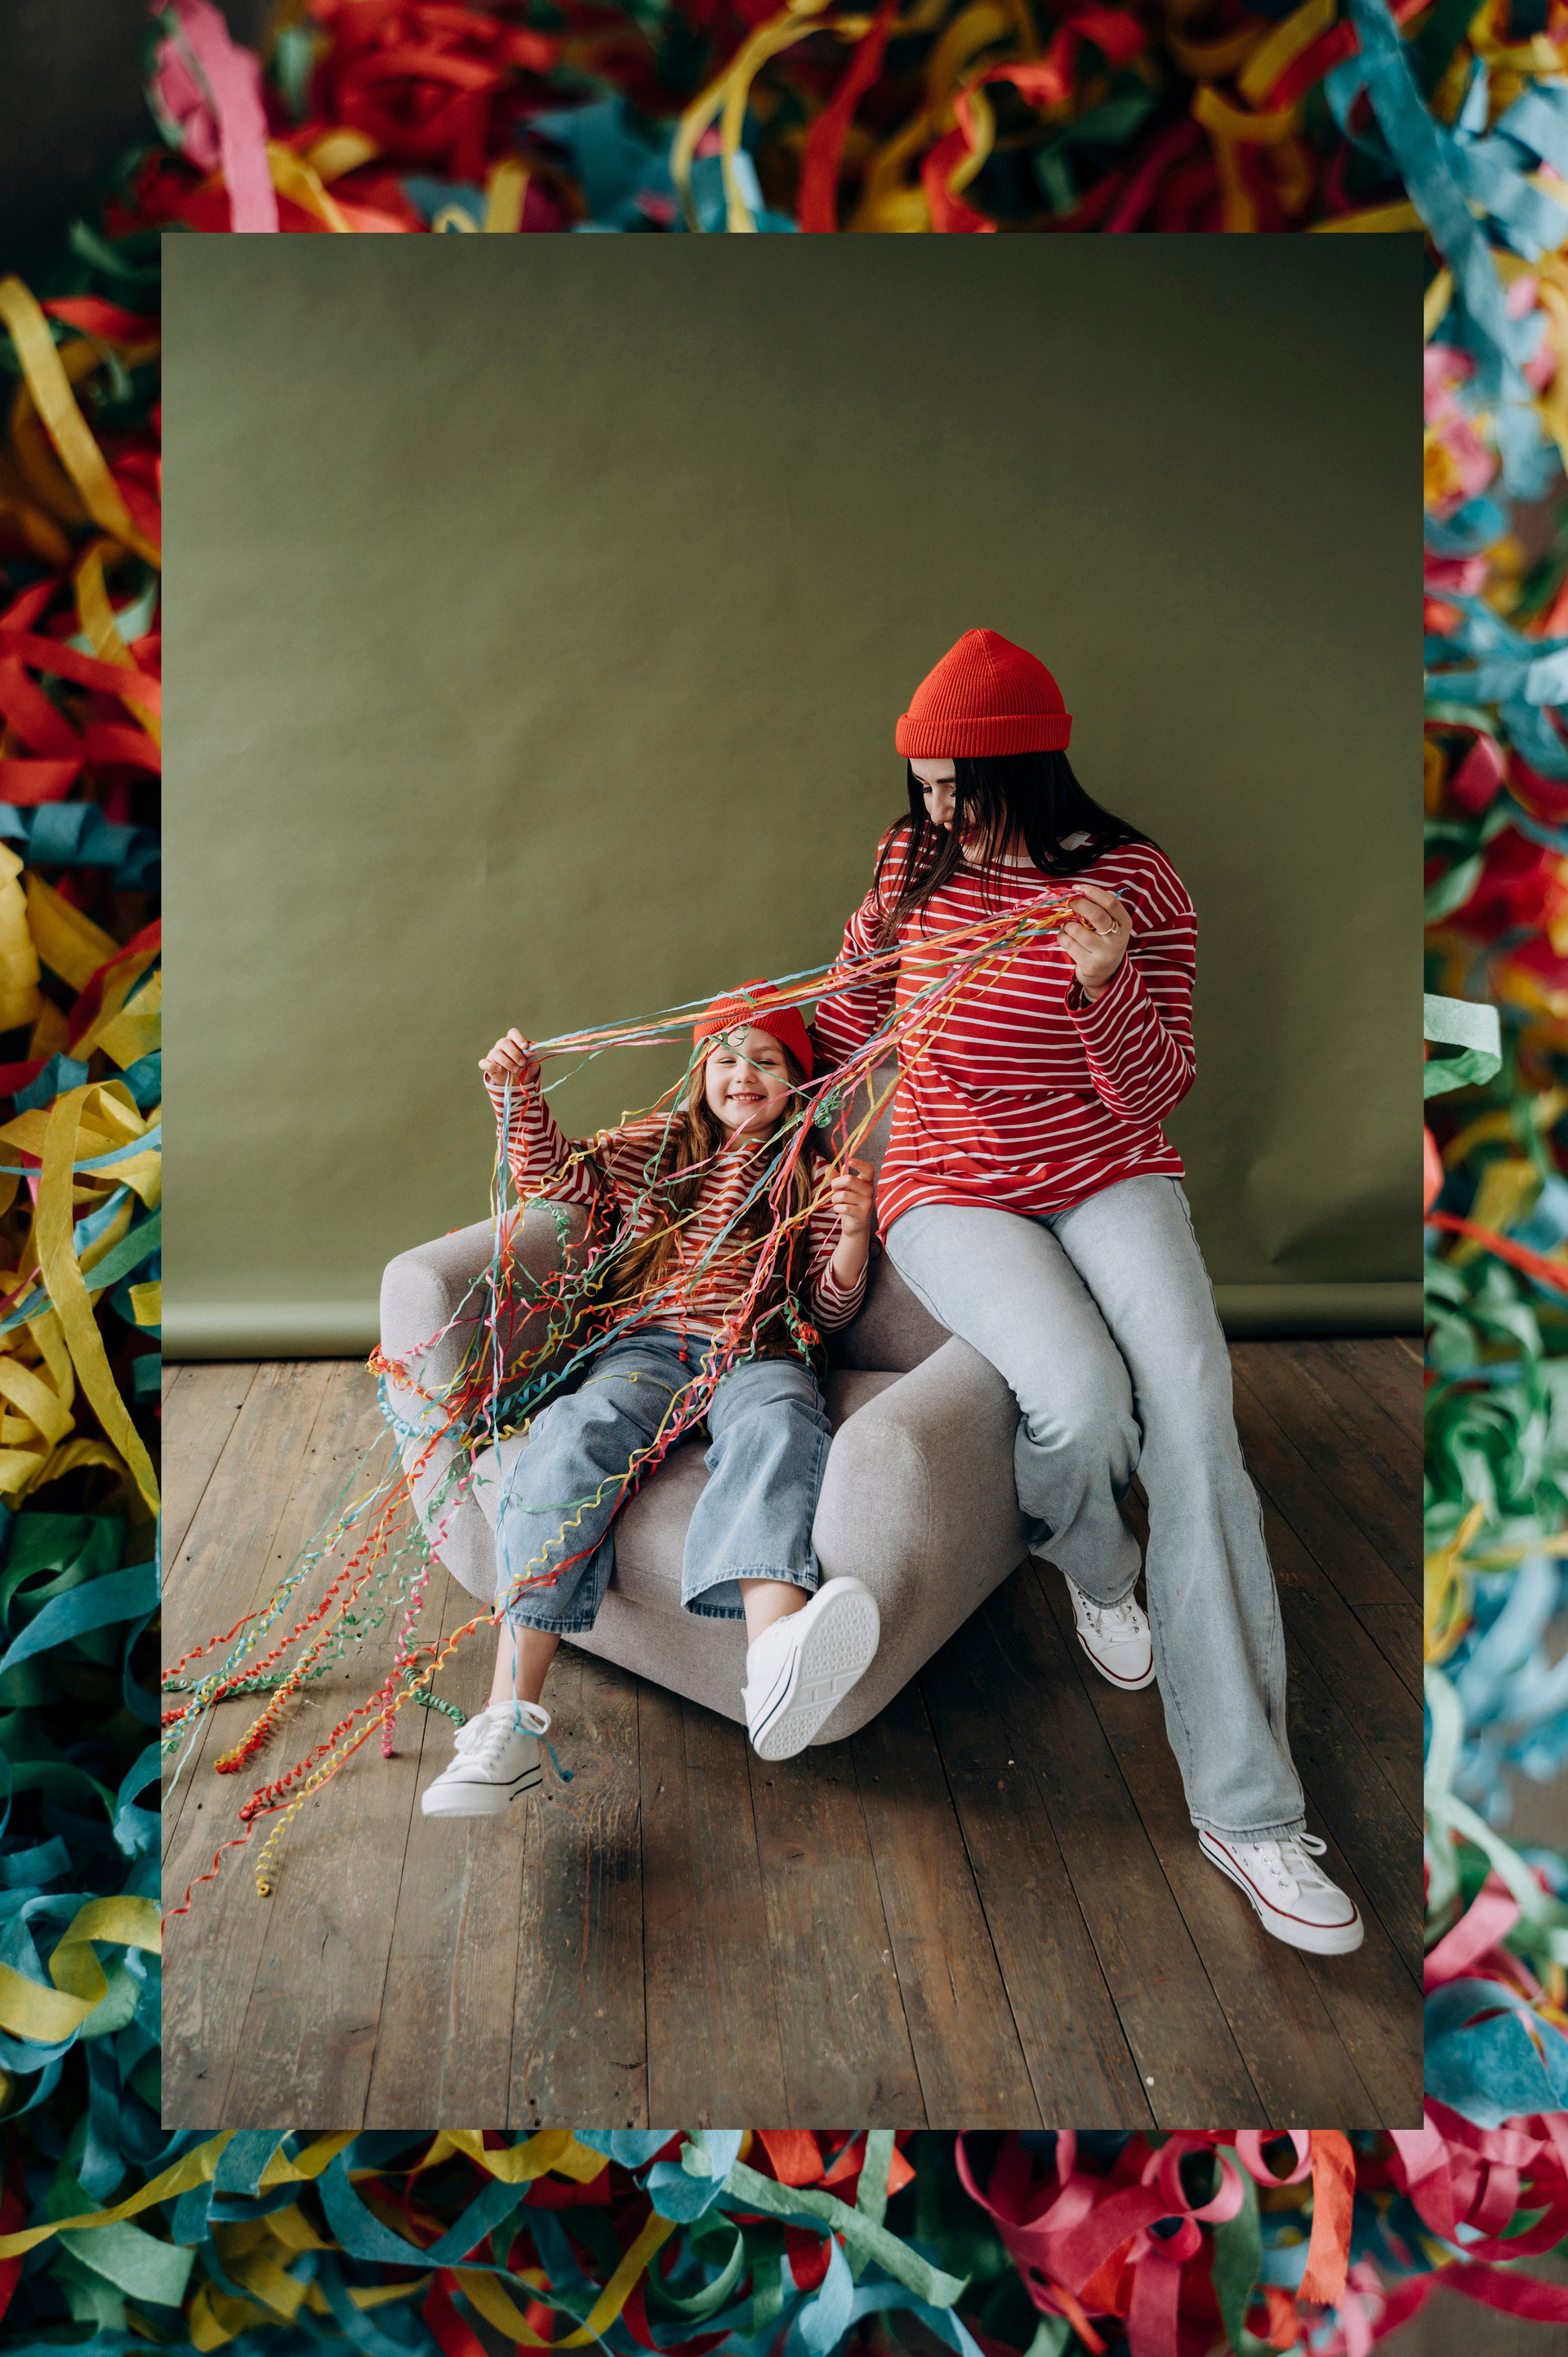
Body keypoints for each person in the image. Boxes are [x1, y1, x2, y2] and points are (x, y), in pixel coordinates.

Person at [811, 627, 1364, 1957]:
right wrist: (837, 999)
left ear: (1028, 770)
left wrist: (1106, 984)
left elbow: (1159, 1088)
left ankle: (1249, 1812)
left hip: (1107, 1165)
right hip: (949, 1180)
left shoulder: (1136, 882)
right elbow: (842, 1025)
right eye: (923, 788)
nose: (938, 813)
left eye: (959, 788)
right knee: (1079, 1402)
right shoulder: (909, 864)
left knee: (1195, 1424)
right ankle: (1097, 1561)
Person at [419, 982, 881, 1818]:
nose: (744, 1074)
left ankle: (776, 1661)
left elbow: (826, 1306)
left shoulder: (814, 1168)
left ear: (797, 1079)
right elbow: (555, 1178)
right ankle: (509, 1721)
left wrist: (851, 1233)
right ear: (700, 1071)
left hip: (761, 1349)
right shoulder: (656, 1146)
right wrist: (517, 1095)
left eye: (767, 1059)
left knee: (780, 1426)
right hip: (648, 1347)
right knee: (574, 1437)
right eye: (727, 1058)